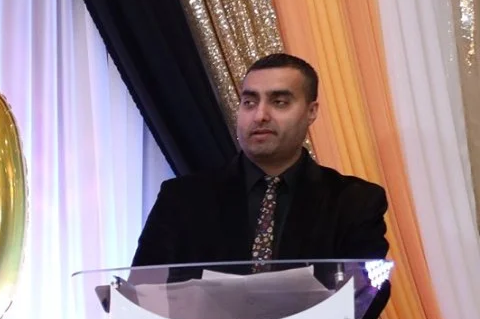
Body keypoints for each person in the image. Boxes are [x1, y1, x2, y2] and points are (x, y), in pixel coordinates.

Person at [133, 53, 389, 267]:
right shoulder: (182, 197)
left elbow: (367, 293)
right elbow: (145, 288)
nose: (260, 115)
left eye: (279, 102)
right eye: (249, 102)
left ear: (311, 112)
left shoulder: (355, 201)